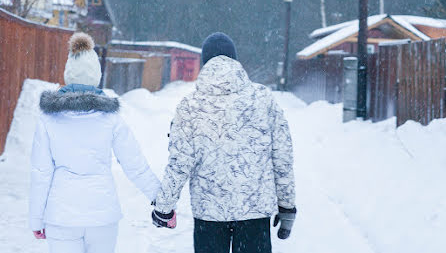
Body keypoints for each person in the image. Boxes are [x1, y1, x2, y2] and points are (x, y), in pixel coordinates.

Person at [152, 32, 296, 253]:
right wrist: (287, 206)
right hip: (254, 214)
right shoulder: (263, 99)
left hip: (209, 216)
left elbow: (179, 162)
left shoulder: (191, 106)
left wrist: (164, 207)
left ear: (204, 62)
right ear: (235, 59)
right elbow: (282, 156)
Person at [29, 32, 161, 253]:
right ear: (97, 76)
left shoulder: (48, 119)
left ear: (68, 75)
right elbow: (135, 165)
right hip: (102, 217)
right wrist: (162, 200)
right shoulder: (110, 119)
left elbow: (41, 172)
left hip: (62, 217)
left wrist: (36, 219)